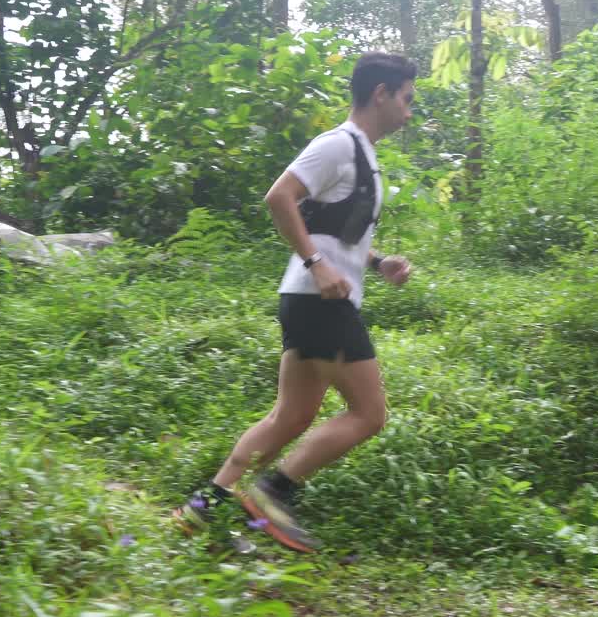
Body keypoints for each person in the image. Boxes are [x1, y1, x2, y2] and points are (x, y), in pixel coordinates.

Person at [172, 52, 417, 552]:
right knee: (369, 414)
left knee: (291, 417)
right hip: (320, 301)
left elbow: (331, 230)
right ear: (381, 94)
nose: (409, 113)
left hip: (309, 300)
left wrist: (377, 263)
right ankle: (273, 492)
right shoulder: (337, 144)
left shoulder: (362, 154)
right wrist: (316, 265)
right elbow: (278, 196)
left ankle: (202, 511)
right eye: (407, 100)